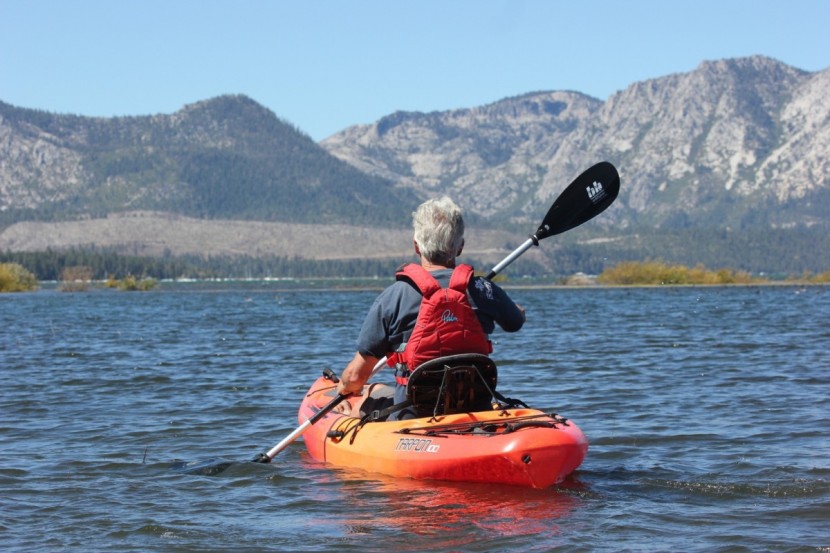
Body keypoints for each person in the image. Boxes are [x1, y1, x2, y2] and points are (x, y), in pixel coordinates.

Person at [336, 196, 525, 419]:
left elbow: (356, 375)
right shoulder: (484, 289)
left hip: (413, 415)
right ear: (460, 247)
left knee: (361, 400)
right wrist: (510, 305)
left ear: (417, 247)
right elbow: (515, 322)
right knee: (376, 389)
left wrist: (345, 391)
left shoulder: (394, 296)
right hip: (474, 407)